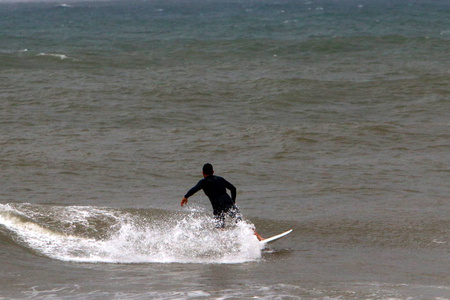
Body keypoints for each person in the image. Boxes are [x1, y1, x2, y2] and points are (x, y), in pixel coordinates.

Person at [181, 163, 264, 241]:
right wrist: (233, 202)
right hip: (228, 203)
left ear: (203, 173)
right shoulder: (220, 179)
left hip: (218, 206)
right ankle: (259, 238)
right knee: (240, 222)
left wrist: (185, 197)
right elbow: (233, 188)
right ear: (213, 172)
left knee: (220, 228)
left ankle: (226, 245)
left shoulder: (203, 182)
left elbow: (194, 189)